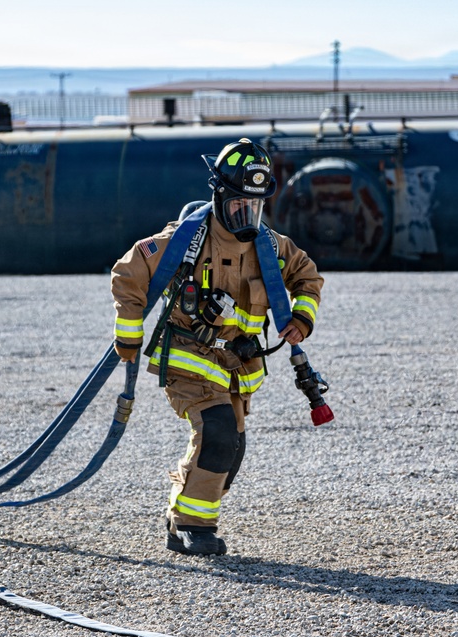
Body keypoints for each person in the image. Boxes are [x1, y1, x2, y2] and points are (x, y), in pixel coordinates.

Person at [110, 138, 324, 556]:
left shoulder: (270, 246)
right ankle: (194, 526)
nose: (248, 215)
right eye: (240, 204)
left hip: (235, 367)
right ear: (220, 196)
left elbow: (308, 277)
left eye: (256, 206)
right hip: (188, 360)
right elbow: (127, 274)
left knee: (231, 448)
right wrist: (129, 335)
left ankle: (179, 515)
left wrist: (301, 318)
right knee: (218, 433)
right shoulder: (186, 240)